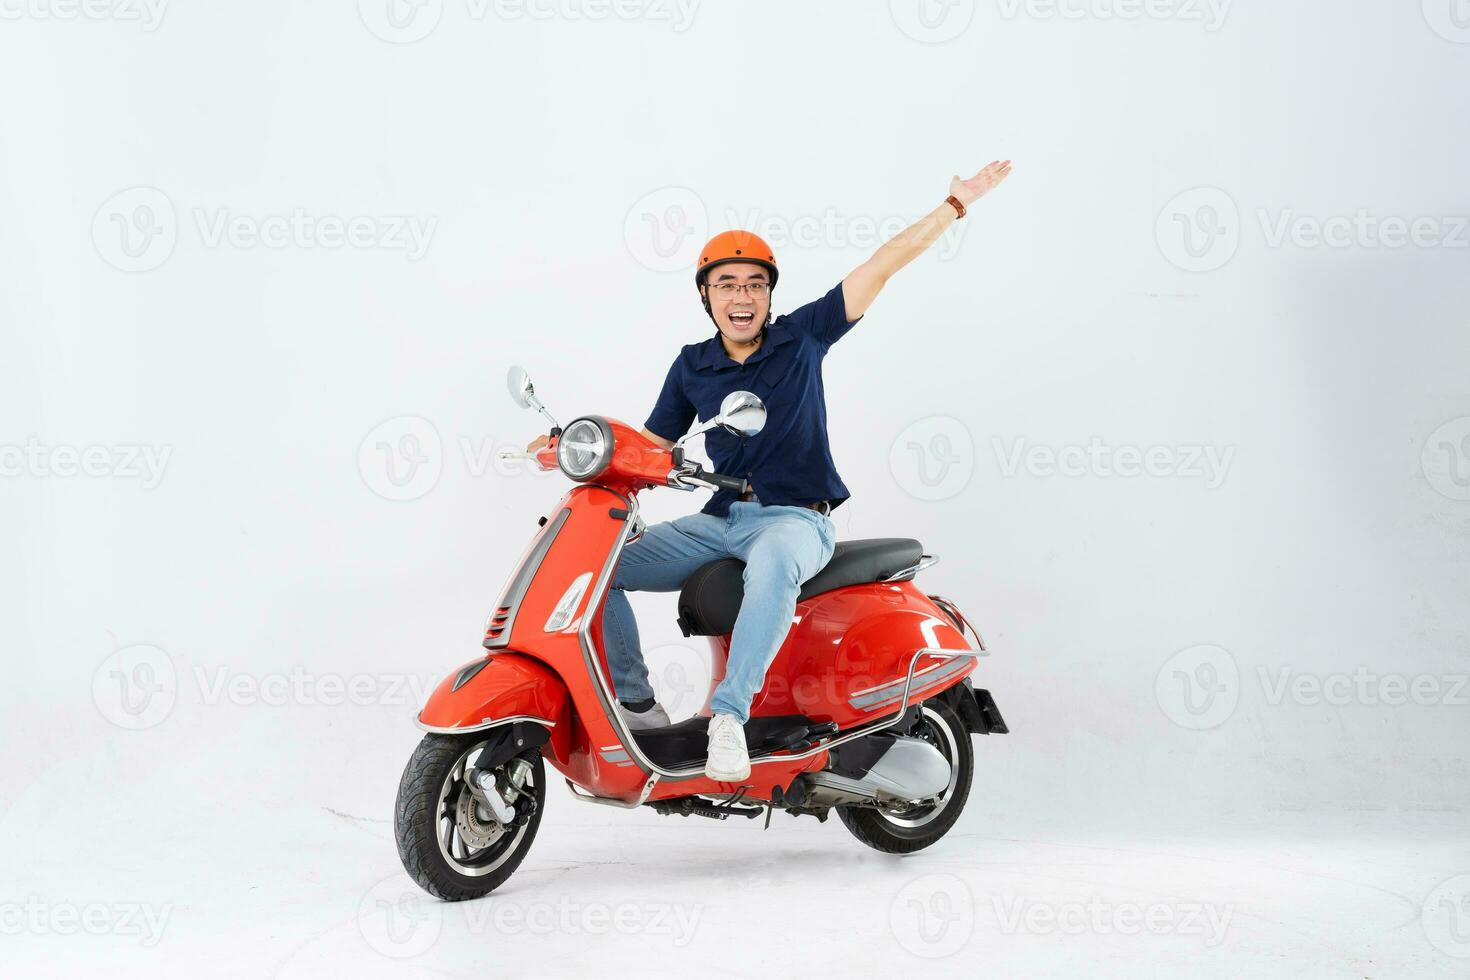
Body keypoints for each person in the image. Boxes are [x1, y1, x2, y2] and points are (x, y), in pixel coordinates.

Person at [529, 162, 1013, 780]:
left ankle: (729, 718)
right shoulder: (693, 365)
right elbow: (651, 446)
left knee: (775, 561)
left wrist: (955, 204)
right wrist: (565, 442)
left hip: (795, 519)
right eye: (727, 284)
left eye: (755, 284)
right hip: (720, 522)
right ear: (706, 296)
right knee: (594, 569)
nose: (742, 296)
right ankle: (638, 705)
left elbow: (881, 266)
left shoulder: (803, 337)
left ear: (769, 295)